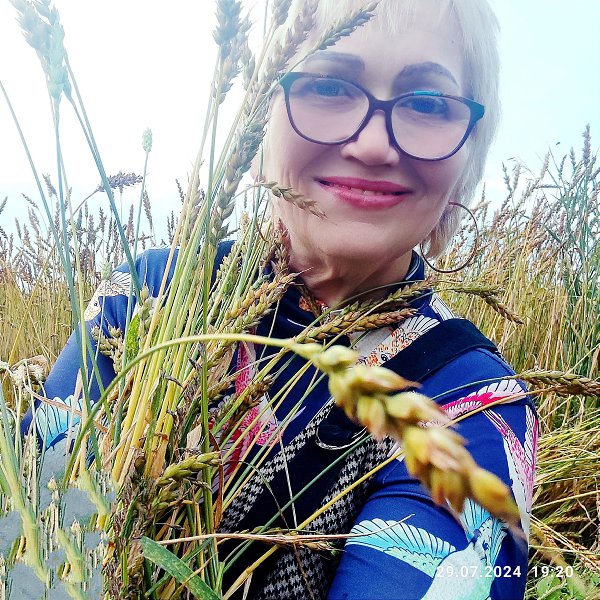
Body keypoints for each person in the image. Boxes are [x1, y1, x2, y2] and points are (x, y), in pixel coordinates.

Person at [24, 0, 537, 598]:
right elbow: (31, 542)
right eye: (329, 85)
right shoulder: (147, 298)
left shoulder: (473, 403)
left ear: (470, 147)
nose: (374, 145)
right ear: (261, 118)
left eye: (427, 102)